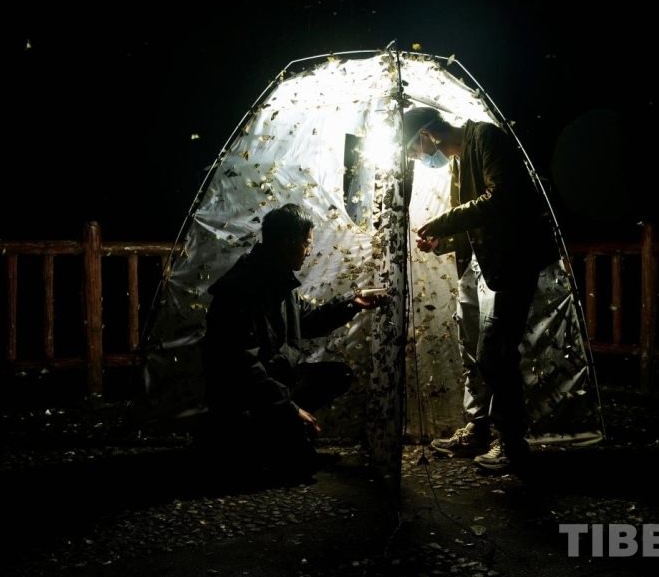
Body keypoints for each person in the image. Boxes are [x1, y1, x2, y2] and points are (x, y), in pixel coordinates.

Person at [403, 106, 559, 473]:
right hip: (478, 265)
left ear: (426, 134)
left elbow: (501, 197)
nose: (416, 160)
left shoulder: (486, 137)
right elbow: (475, 222)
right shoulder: (458, 162)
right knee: (472, 347)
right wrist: (442, 241)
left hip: (510, 263)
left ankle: (511, 443)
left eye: (413, 152)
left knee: (496, 353)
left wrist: (443, 221)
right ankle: (479, 429)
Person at [196, 202, 384, 481]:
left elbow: (307, 319)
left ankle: (277, 436)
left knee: (338, 375)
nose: (309, 251)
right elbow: (245, 369)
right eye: (307, 243)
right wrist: (291, 409)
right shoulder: (240, 290)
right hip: (244, 398)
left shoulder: (279, 280)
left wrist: (351, 304)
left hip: (274, 381)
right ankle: (255, 438)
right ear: (287, 244)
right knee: (301, 468)